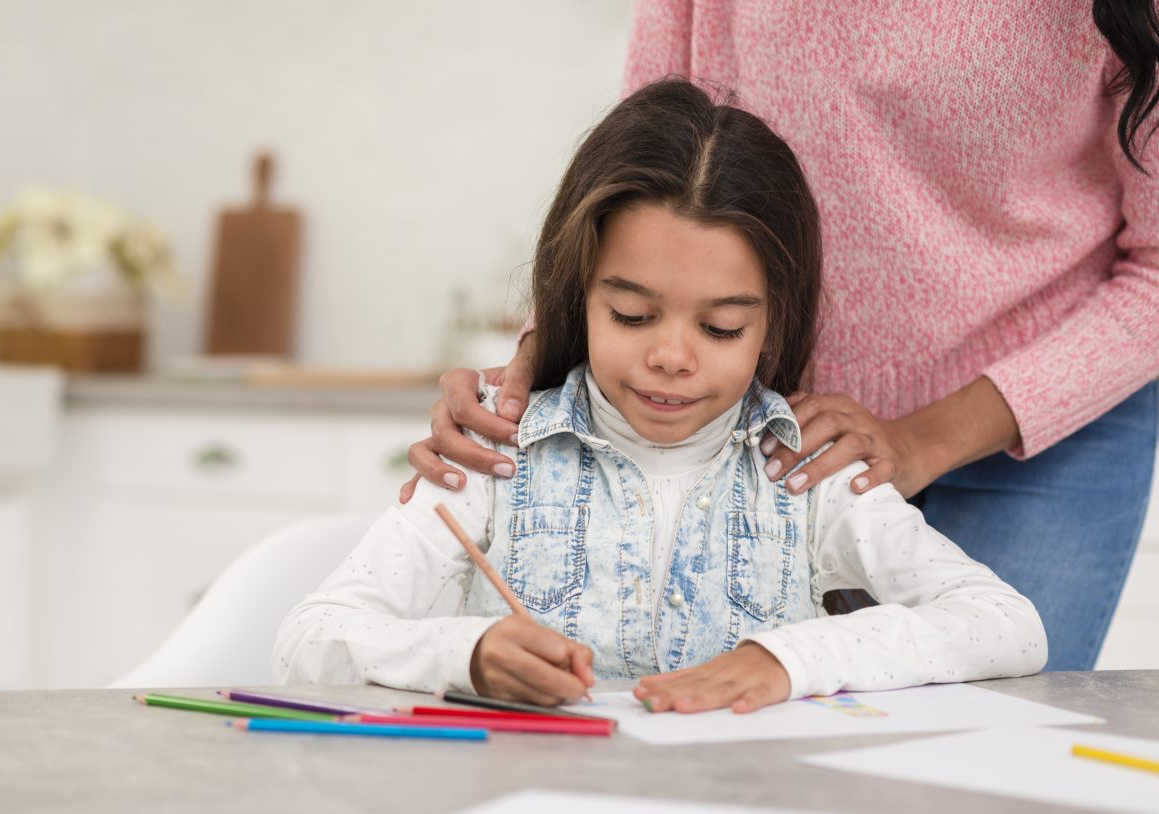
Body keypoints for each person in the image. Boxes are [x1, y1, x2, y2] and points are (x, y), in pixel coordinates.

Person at [403, 2, 1159, 673]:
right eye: (634, 316)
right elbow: (646, 173)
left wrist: (927, 437)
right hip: (779, 420)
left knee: (995, 746)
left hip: (1046, 414)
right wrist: (549, 345)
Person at [275, 80, 1046, 712]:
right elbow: (309, 638)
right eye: (632, 315)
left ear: (772, 327)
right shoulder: (495, 455)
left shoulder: (807, 474)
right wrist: (466, 653)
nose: (670, 356)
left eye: (719, 327)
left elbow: (1008, 627)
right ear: (575, 295)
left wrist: (789, 658)